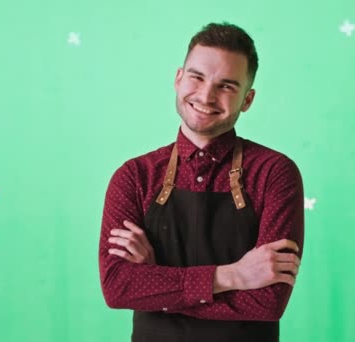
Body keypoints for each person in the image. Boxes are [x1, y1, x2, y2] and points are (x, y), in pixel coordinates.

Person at [98, 22, 304, 342]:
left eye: (227, 86)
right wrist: (233, 275)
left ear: (247, 100)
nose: (206, 95)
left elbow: (267, 302)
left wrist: (157, 286)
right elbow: (118, 288)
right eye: (197, 77)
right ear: (178, 79)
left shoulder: (274, 173)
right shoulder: (134, 176)